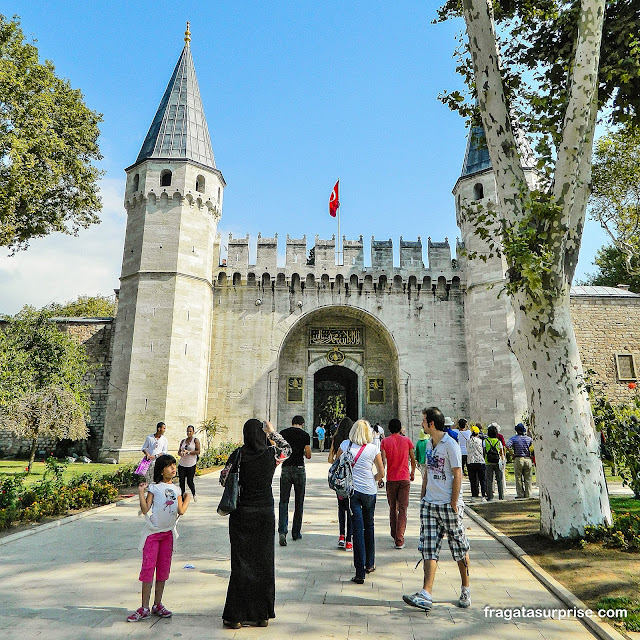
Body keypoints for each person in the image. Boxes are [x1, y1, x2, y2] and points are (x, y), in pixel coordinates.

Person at [221, 419, 292, 629]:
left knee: (241, 563)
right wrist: (272, 433)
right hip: (264, 513)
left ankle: (236, 616)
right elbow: (287, 449)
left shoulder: (239, 455)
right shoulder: (270, 454)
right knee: (263, 563)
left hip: (242, 513)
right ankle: (262, 615)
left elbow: (224, 479)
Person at [404, 407, 470, 612]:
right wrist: (424, 496)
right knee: (428, 548)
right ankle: (426, 593)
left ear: (431, 423)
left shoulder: (450, 444)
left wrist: (453, 501)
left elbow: (457, 473)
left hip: (448, 506)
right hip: (430, 504)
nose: (422, 424)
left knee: (459, 548)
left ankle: (466, 587)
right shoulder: (430, 445)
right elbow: (428, 472)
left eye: (424, 421)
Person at [127, 454, 191, 622]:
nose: (173, 469)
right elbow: (146, 508)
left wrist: (188, 498)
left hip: (168, 534)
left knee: (163, 570)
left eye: (174, 466)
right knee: (148, 569)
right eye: (170, 466)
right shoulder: (154, 488)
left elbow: (181, 510)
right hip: (153, 534)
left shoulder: (177, 490)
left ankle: (158, 604)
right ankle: (144, 607)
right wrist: (141, 492)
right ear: (162, 470)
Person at [339, 419, 384, 584]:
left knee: (357, 531)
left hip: (352, 492)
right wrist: (372, 480)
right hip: (369, 492)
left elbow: (338, 467)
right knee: (369, 527)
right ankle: (370, 564)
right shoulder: (373, 448)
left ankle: (359, 573)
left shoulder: (345, 446)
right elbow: (381, 472)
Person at [380, 418, 416, 549]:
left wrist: (380, 477)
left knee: (392, 508)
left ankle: (394, 533)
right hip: (404, 478)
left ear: (389, 429)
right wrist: (412, 473)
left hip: (391, 479)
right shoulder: (407, 441)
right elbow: (413, 459)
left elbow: (383, 461)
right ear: (401, 429)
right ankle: (399, 538)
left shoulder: (385, 442)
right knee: (403, 509)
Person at [278, 415, 311, 546]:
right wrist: (300, 452)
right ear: (302, 424)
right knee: (299, 501)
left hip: (286, 468)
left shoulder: (283, 433)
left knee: (284, 501)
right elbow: (308, 455)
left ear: (292, 423)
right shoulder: (305, 435)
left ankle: (282, 531)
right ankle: (296, 532)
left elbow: (279, 450)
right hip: (299, 468)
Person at [328, 416, 354, 549]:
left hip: (340, 481)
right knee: (351, 509)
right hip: (352, 482)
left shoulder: (337, 440)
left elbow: (331, 460)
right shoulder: (354, 442)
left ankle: (342, 536)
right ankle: (349, 540)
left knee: (341, 507)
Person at [507, 423, 534, 498]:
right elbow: (532, 447)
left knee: (518, 478)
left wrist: (512, 454)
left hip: (518, 458)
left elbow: (507, 446)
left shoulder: (513, 438)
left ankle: (520, 494)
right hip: (528, 459)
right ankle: (528, 494)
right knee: (528, 478)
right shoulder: (529, 439)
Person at [177, 425, 200, 500]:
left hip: (191, 464)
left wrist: (189, 452)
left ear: (193, 432)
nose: (188, 433)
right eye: (187, 431)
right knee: (181, 481)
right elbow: (179, 452)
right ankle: (182, 497)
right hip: (182, 464)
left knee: (189, 481)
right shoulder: (183, 441)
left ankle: (194, 493)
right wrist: (181, 453)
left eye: (190, 431)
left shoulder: (195, 440)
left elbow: (198, 451)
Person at [484, 423, 505, 501]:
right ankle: (501, 496)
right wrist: (502, 461)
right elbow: (501, 453)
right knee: (499, 479)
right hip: (497, 461)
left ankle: (490, 496)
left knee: (489, 480)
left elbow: (484, 451)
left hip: (488, 462)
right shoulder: (498, 441)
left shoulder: (485, 441)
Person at [466, 426, 486, 500]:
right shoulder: (481, 441)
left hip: (471, 461)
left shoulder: (468, 441)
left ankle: (474, 496)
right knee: (482, 479)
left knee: (473, 480)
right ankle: (483, 495)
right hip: (480, 461)